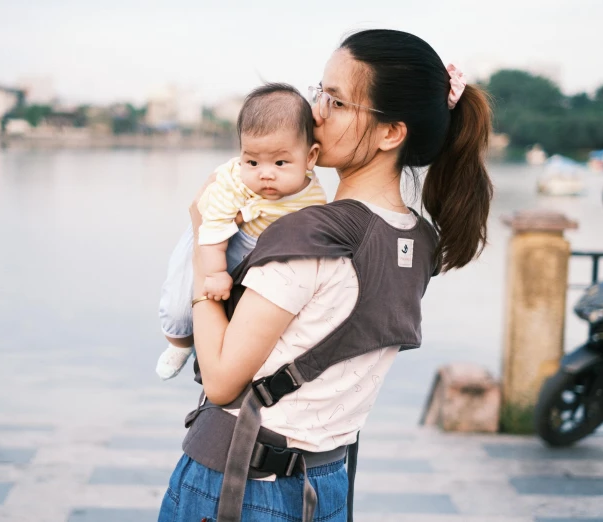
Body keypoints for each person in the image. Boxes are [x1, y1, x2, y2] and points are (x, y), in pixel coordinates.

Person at [158, 29, 493, 522]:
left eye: (336, 102)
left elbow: (224, 380)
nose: (314, 112)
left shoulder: (313, 234)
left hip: (240, 487)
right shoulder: (418, 241)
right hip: (327, 485)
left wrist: (204, 246)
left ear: (390, 133)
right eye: (320, 91)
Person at [156, 83, 326, 380]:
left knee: (232, 309)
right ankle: (180, 343)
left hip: (258, 250)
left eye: (281, 162)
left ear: (310, 158)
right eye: (252, 161)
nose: (265, 173)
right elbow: (211, 228)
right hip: (215, 237)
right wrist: (216, 272)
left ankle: (210, 346)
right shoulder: (233, 183)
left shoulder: (313, 198)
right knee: (179, 303)